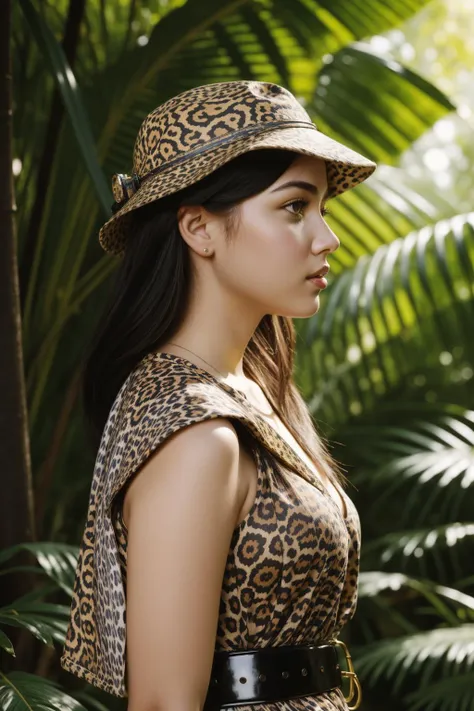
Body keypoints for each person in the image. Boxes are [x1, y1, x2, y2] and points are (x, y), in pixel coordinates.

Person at [61, 80, 376, 711]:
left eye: (322, 209)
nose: (327, 238)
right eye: (294, 207)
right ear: (199, 228)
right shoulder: (196, 431)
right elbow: (160, 702)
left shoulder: (245, 393)